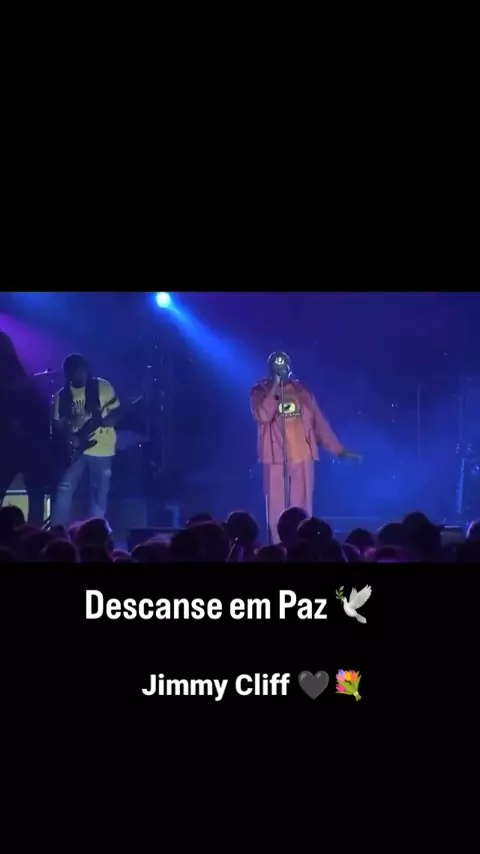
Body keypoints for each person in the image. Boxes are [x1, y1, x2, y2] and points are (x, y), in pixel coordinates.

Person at [250, 350, 361, 543]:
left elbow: (320, 424)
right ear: (270, 369)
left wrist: (339, 450)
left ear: (290, 367)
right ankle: (278, 547)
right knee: (276, 509)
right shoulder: (260, 391)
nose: (281, 368)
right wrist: (275, 388)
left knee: (301, 509)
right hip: (275, 459)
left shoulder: (303, 392)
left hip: (302, 457)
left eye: (284, 364)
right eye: (277, 365)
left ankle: (302, 547)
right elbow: (262, 416)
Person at [51, 354, 120, 526]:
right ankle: (57, 530)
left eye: (82, 370)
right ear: (68, 374)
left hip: (102, 448)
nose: (80, 374)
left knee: (98, 496)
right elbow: (58, 425)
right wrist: (70, 437)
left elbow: (117, 411)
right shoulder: (62, 396)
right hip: (74, 452)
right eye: (75, 372)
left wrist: (111, 420)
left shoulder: (102, 387)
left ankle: (95, 531)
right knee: (64, 490)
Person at [0, 332, 50, 527]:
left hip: (14, 444)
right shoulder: (22, 374)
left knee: (31, 491)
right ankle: (33, 533)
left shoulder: (15, 376)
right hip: (25, 444)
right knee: (35, 493)